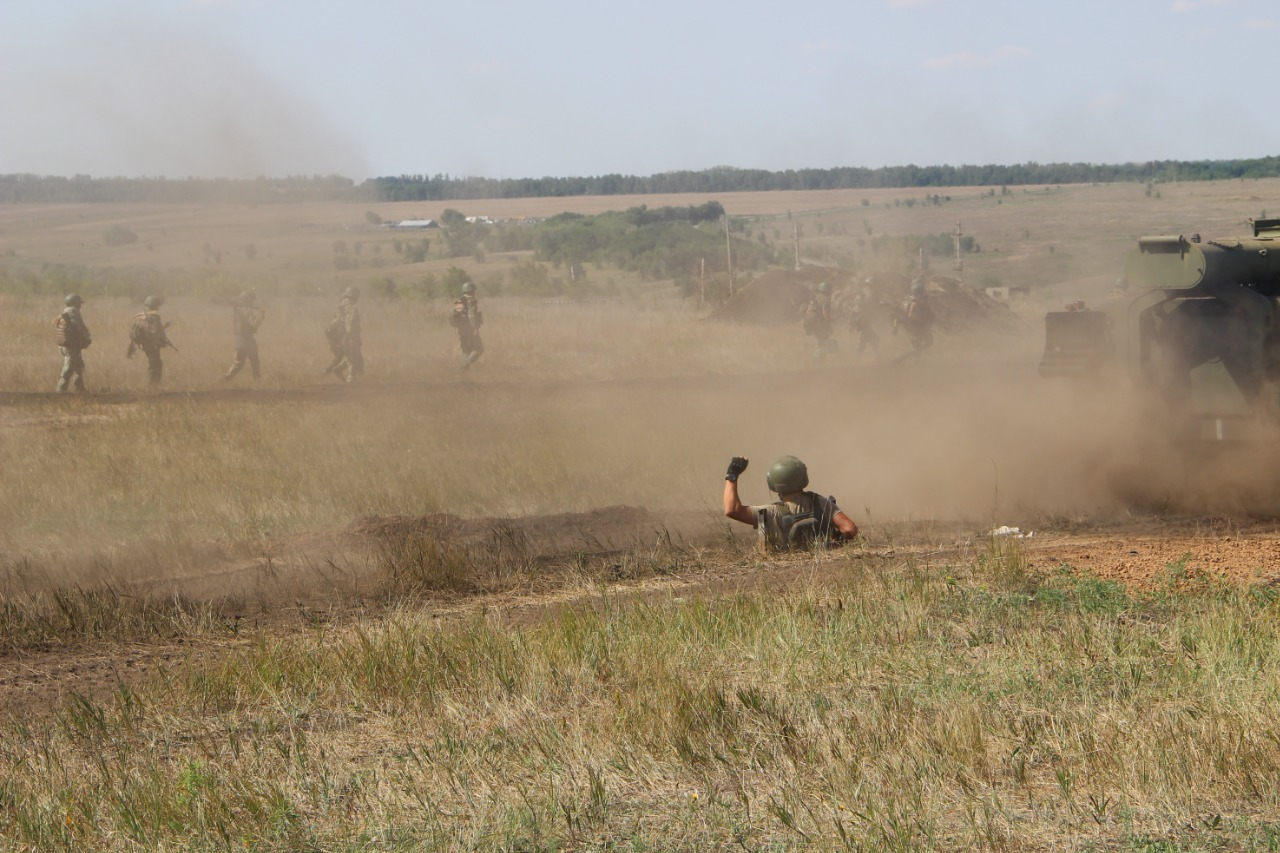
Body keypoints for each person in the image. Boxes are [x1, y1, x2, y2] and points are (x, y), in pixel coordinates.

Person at [722, 455, 858, 551]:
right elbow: (850, 529)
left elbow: (732, 510)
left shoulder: (770, 512)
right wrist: (832, 543)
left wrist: (731, 476)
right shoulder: (820, 502)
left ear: (773, 483)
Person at [126, 294, 173, 386]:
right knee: (156, 364)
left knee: (155, 363)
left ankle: (153, 385)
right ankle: (153, 386)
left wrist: (130, 349)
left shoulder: (141, 317)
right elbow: (157, 331)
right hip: (152, 345)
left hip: (145, 344)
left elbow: (134, 334)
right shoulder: (155, 318)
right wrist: (165, 339)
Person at [54, 293, 92, 393]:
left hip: (65, 345)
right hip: (70, 346)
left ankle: (79, 388)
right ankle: (61, 390)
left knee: (79, 366)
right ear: (75, 304)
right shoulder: (73, 313)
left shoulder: (65, 313)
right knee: (69, 367)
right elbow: (78, 326)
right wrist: (86, 337)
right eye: (79, 303)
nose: (80, 306)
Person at [323, 286, 363, 382]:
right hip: (344, 334)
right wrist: (351, 337)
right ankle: (351, 379)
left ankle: (335, 370)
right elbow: (349, 323)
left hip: (337, 335)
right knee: (353, 355)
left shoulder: (342, 304)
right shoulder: (350, 306)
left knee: (349, 355)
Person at [224, 290, 264, 381]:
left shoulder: (238, 310)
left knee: (239, 364)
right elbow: (255, 323)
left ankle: (225, 379)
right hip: (247, 340)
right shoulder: (246, 311)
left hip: (240, 340)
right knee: (253, 363)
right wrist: (261, 314)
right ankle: (225, 380)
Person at [894, 279, 934, 361]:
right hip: (915, 327)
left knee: (919, 346)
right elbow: (911, 315)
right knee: (926, 343)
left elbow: (898, 314)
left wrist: (895, 326)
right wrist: (922, 322)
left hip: (910, 327)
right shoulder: (914, 303)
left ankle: (911, 361)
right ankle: (902, 359)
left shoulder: (905, 300)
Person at [449, 280, 485, 369]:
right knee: (479, 349)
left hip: (461, 329)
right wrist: (475, 328)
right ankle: (465, 365)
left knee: (467, 350)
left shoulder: (459, 300)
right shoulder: (471, 300)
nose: (474, 293)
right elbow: (471, 315)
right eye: (473, 291)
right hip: (469, 329)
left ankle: (465, 372)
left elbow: (456, 315)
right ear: (471, 290)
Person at [802, 281, 836, 360]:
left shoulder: (815, 298)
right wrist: (829, 322)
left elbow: (808, 311)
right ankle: (816, 358)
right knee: (823, 342)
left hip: (811, 323)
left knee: (821, 341)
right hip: (819, 324)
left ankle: (820, 360)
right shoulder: (825, 300)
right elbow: (825, 313)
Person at [850, 280, 881, 364]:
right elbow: (870, 307)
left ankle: (877, 358)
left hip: (863, 320)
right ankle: (856, 361)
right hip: (863, 321)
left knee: (874, 339)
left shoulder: (862, 294)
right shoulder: (869, 294)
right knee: (862, 341)